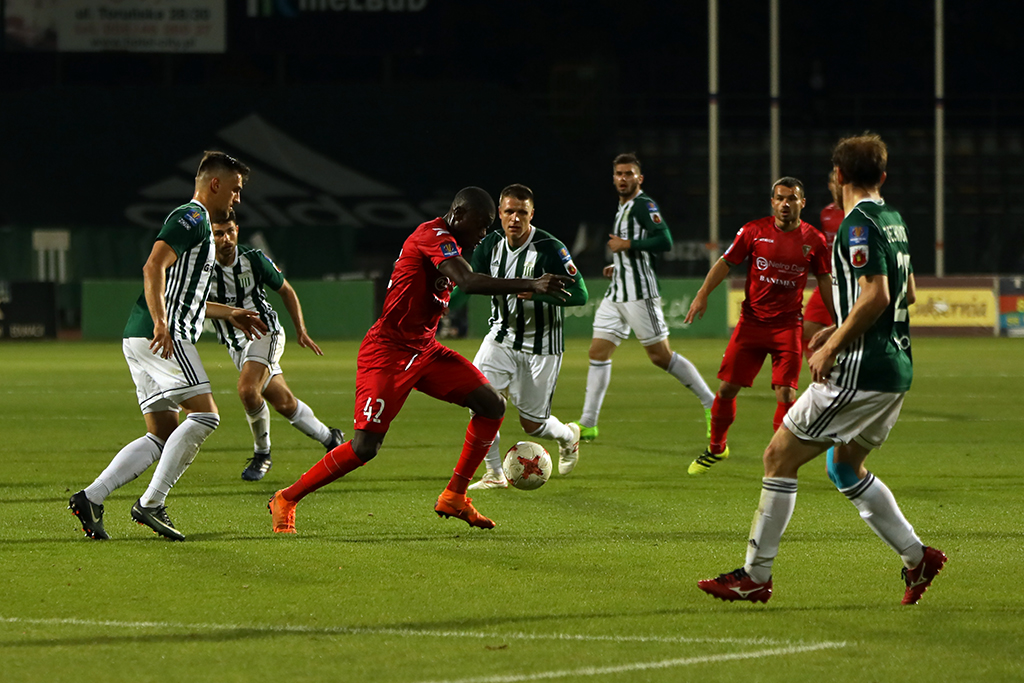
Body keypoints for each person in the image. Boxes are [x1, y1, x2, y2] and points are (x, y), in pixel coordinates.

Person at [697, 133, 947, 605]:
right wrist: (838, 327)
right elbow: (907, 292)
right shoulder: (893, 219)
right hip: (895, 369)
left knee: (778, 457)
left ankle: (755, 576)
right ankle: (917, 558)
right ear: (883, 175)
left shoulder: (857, 224)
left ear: (838, 175)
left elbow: (877, 295)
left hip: (861, 370)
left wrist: (833, 343)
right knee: (845, 467)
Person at [267, 187, 571, 534]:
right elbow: (468, 282)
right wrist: (533, 284)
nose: (484, 232)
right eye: (482, 223)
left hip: (424, 350)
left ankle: (455, 496)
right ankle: (286, 498)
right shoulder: (433, 235)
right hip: (388, 352)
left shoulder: (451, 243)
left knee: (491, 405)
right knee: (365, 447)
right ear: (458, 215)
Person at [69, 151, 263, 542]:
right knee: (206, 416)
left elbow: (184, 295)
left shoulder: (200, 226)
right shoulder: (192, 217)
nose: (238, 198)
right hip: (163, 336)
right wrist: (162, 322)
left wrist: (228, 312)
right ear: (215, 184)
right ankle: (152, 503)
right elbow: (153, 266)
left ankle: (91, 497)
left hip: (141, 337)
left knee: (161, 433)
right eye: (235, 189)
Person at [684, 177, 833, 475]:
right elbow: (726, 263)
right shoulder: (753, 231)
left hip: (787, 326)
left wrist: (838, 320)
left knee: (786, 394)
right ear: (772, 202)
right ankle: (716, 448)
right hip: (751, 324)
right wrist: (702, 294)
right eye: (780, 198)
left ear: (802, 203)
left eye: (792, 198)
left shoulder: (814, 240)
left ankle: (783, 457)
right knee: (727, 389)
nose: (785, 204)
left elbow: (824, 279)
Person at [448, 184, 589, 490]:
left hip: (542, 346)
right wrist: (443, 305)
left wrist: (538, 295)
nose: (515, 218)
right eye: (509, 211)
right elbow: (467, 285)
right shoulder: (489, 245)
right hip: (500, 338)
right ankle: (494, 473)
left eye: (522, 212)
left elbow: (581, 294)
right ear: (499, 213)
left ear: (531, 214)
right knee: (479, 403)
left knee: (534, 425)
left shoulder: (550, 248)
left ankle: (569, 436)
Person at [574, 153, 715, 442]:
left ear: (639, 178)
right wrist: (619, 264)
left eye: (629, 174)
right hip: (617, 292)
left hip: (639, 293)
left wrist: (627, 244)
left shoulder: (643, 205)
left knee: (660, 356)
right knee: (598, 352)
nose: (623, 178)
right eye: (619, 174)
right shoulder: (623, 207)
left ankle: (712, 403)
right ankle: (588, 423)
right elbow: (634, 252)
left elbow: (665, 240)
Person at [208, 212, 345, 482]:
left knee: (248, 390)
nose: (226, 239)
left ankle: (263, 455)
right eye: (218, 233)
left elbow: (286, 290)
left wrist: (300, 330)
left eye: (230, 231)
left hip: (265, 333)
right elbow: (193, 303)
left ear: (237, 230)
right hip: (236, 345)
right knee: (284, 403)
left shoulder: (253, 259)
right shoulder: (200, 268)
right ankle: (331, 439)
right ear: (209, 237)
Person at [802, 169, 844, 359]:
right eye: (835, 182)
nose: (839, 186)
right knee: (807, 330)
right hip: (830, 280)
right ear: (830, 186)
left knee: (850, 330)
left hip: (850, 281)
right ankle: (822, 374)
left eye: (842, 182)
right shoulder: (826, 213)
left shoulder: (856, 212)